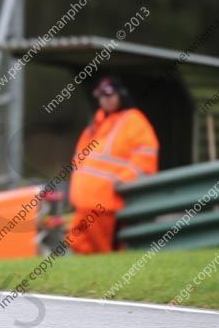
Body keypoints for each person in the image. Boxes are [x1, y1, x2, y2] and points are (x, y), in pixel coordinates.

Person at [66, 76, 159, 254]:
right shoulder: (97, 122)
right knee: (77, 242)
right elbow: (79, 156)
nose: (105, 100)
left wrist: (122, 181)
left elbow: (146, 157)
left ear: (121, 95)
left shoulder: (134, 121)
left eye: (109, 95)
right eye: (101, 96)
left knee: (104, 249)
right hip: (83, 200)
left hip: (106, 202)